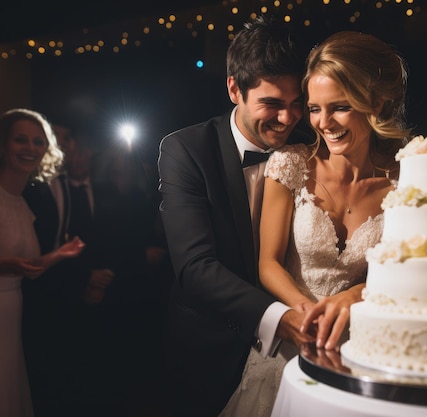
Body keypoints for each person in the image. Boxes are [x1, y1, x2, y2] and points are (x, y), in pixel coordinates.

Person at [220, 31, 410, 417]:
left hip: (367, 349)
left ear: (375, 101)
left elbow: (410, 274)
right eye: (315, 108)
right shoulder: (289, 164)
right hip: (293, 340)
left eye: (339, 107)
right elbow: (268, 264)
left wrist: (357, 294)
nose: (324, 123)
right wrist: (307, 313)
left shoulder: (406, 181)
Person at [157, 15, 314, 417]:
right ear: (234, 89)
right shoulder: (185, 150)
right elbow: (194, 267)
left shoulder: (310, 148)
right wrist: (280, 319)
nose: (288, 118)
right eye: (272, 104)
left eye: (298, 103)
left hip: (296, 358)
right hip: (209, 348)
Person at [0, 108, 85, 417]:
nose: (30, 148)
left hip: (10, 315)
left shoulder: (21, 199)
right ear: (1, 144)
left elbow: (27, 267)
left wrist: (59, 254)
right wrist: (4, 265)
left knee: (5, 393)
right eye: (20, 140)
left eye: (38, 142)